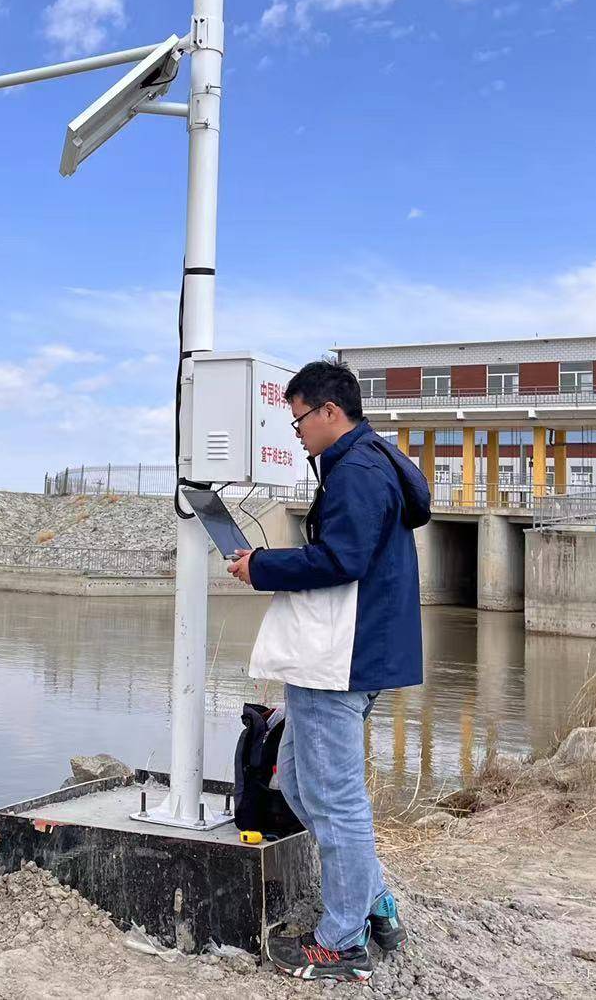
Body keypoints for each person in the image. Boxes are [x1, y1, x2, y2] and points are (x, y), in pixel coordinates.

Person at [227, 358, 424, 982]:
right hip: (349, 653)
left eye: (299, 419)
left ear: (330, 412)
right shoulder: (370, 463)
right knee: (301, 788)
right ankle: (374, 906)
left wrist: (262, 567)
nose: (297, 433)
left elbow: (341, 558)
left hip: (339, 658)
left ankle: (341, 943)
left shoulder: (358, 472)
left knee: (334, 798)